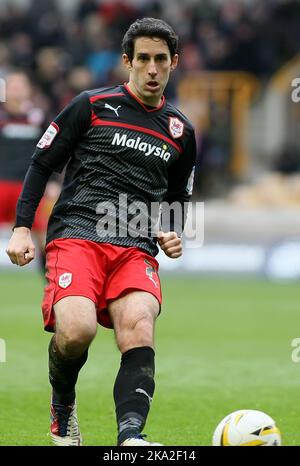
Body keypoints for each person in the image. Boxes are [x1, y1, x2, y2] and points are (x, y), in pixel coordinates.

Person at [6, 17, 196, 446]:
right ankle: (62, 405)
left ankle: (131, 437)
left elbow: (178, 196)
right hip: (78, 234)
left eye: (160, 60)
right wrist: (21, 228)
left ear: (174, 63)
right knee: (76, 331)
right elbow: (42, 163)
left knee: (139, 325)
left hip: (135, 248)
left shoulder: (182, 130)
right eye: (143, 59)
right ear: (126, 61)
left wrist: (171, 231)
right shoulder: (91, 105)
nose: (152, 68)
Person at [0, 71, 61, 272]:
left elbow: (53, 151)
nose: (16, 89)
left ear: (28, 90)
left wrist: (52, 181)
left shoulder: (40, 118)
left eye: (21, 85)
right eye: (12, 85)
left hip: (29, 189)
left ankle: (53, 285)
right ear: (5, 90)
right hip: (1, 185)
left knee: (45, 238)